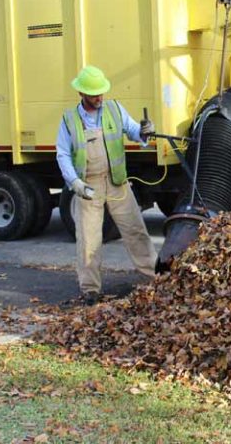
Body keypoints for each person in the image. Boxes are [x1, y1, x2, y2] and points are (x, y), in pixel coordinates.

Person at [56, 65, 158, 306]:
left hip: (117, 183)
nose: (99, 98)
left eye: (101, 93)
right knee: (89, 240)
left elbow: (134, 132)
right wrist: (75, 183)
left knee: (136, 231)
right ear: (81, 94)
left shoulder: (113, 109)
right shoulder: (69, 120)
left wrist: (145, 132)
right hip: (89, 187)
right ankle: (90, 289)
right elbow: (62, 154)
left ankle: (155, 277)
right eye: (94, 94)